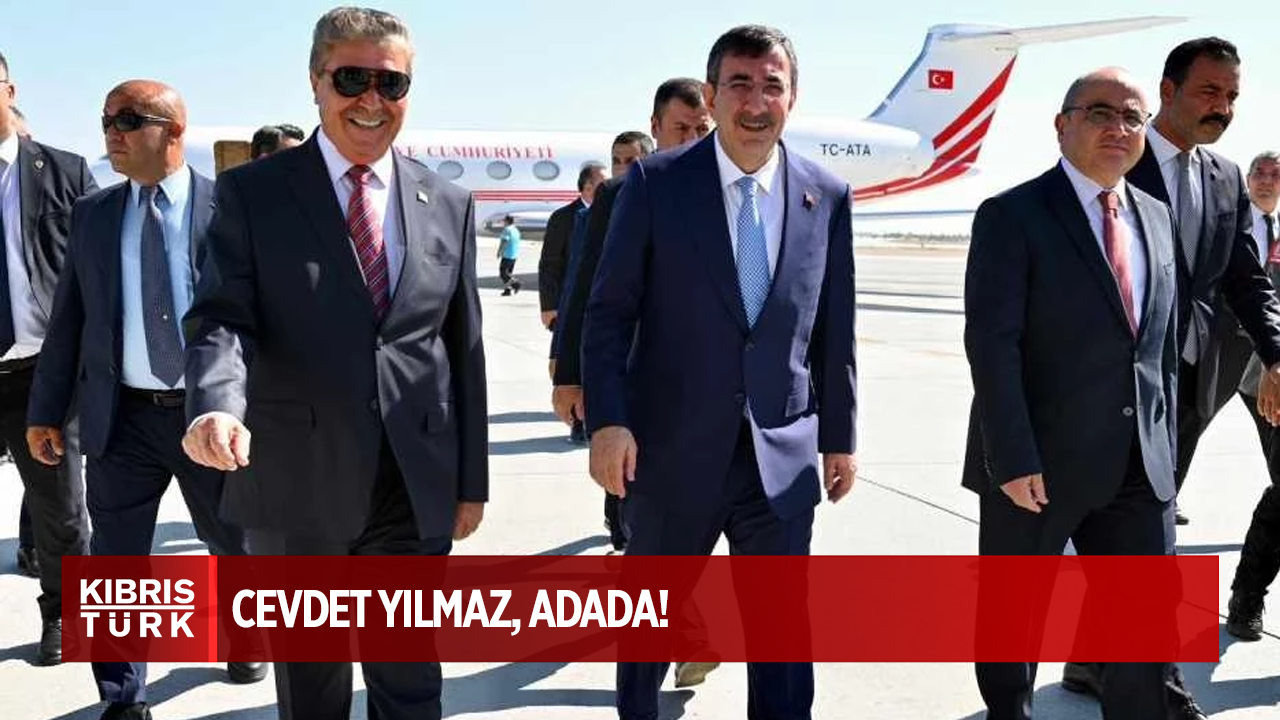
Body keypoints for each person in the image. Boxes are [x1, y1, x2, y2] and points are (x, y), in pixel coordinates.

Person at [181, 8, 488, 720]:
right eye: (352, 79)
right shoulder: (254, 193)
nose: (371, 99)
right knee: (312, 686)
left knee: (410, 680)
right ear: (316, 81)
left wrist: (470, 481)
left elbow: (462, 347)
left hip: (411, 485)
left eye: (391, 82)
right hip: (298, 483)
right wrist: (217, 403)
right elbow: (223, 316)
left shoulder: (448, 202)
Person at [581, 26, 856, 720]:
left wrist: (840, 438)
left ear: (793, 96)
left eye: (772, 86)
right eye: (739, 84)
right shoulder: (656, 184)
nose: (756, 102)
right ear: (711, 94)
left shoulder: (827, 195)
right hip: (669, 454)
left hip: (781, 456)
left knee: (782, 638)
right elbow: (609, 313)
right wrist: (609, 422)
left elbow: (833, 329)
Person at [26, 79, 264, 720]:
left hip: (208, 419)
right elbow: (69, 318)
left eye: (129, 119)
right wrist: (46, 410)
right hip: (122, 418)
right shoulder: (95, 214)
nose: (113, 132)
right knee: (117, 565)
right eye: (107, 119)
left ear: (174, 131)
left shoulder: (231, 209)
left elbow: (261, 318)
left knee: (234, 545)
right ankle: (123, 698)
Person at [1062, 37, 1280, 719]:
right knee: (1132, 538)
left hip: (1187, 383)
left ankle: (1093, 661)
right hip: (1112, 387)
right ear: (1167, 91)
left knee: (1142, 532)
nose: (1223, 108)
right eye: (1210, 91)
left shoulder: (1223, 177)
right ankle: (1154, 683)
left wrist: (1277, 354)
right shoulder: (1113, 158)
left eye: (1232, 96)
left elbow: (1245, 278)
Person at [963, 67, 1181, 720]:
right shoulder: (1012, 215)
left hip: (1138, 469)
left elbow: (1159, 349)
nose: (1119, 127)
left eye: (1133, 117)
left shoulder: (1157, 217)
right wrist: (1012, 458)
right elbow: (992, 346)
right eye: (1099, 113)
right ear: (1062, 125)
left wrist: (1165, 446)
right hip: (1036, 468)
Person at [554, 80, 712, 556]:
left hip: (710, 383)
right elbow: (586, 288)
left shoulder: (732, 192)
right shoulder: (619, 194)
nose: (691, 139)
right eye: (681, 128)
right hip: (636, 370)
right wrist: (569, 373)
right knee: (637, 493)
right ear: (655, 127)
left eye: (702, 129)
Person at [0, 49, 96, 668]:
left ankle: (64, 612)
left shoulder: (64, 171)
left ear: (9, 90)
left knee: (59, 509)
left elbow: (101, 265)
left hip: (39, 372)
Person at [1226, 150, 1280, 640]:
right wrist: (1271, 363)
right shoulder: (1236, 224)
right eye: (1259, 173)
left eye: (1275, 175)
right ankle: (1247, 595)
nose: (1267, 181)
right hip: (1260, 375)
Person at [538, 162, 604, 332]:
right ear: (588, 187)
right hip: (570, 306)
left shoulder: (611, 214)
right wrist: (549, 306)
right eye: (604, 184)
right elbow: (549, 265)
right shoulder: (563, 218)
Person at [497, 214, 522, 295]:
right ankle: (507, 291)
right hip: (514, 255)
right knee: (509, 274)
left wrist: (499, 251)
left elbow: (504, 241)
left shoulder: (507, 230)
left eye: (504, 221)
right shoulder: (516, 230)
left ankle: (516, 284)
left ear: (507, 221)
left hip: (507, 254)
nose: (503, 223)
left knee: (503, 273)